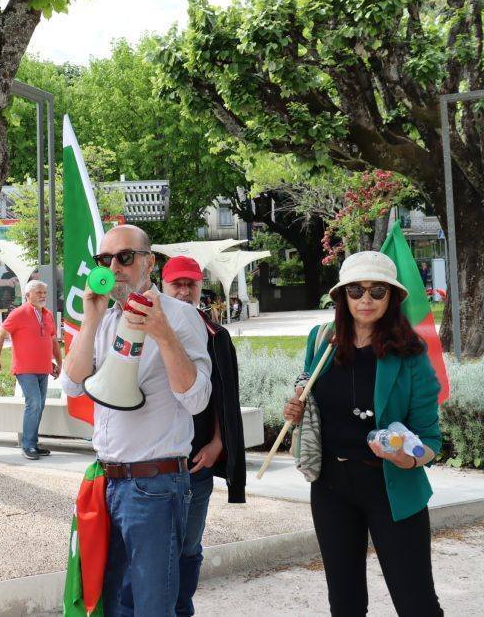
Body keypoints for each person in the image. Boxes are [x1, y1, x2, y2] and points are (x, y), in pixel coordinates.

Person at [61, 225, 212, 616]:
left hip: (154, 484)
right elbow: (72, 384)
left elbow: (197, 399)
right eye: (104, 259)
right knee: (108, 603)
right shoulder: (104, 318)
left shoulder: (181, 316)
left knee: (151, 606)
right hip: (107, 481)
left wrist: (163, 335)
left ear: (150, 263)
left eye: (125, 257)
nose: (114, 267)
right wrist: (90, 319)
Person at [283, 251, 443, 616]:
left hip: (391, 487)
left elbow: (430, 441)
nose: (365, 299)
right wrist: (298, 410)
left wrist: (408, 458)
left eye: (377, 291)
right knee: (345, 603)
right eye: (356, 290)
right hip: (331, 487)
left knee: (416, 603)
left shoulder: (411, 353)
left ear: (391, 297)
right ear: (342, 296)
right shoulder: (321, 340)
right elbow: (309, 394)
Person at [160, 257, 246, 617]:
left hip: (196, 463)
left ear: (199, 288)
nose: (184, 291)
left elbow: (226, 397)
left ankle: (182, 610)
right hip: (153, 464)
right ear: (162, 286)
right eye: (176, 284)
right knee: (153, 551)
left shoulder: (215, 335)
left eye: (190, 284)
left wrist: (218, 444)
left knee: (188, 548)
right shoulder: (142, 331)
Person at [0, 279, 61, 460]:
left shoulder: (48, 315)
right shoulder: (18, 313)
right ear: (28, 295)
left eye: (44, 292)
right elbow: (0, 335)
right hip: (25, 369)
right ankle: (28, 445)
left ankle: (33, 444)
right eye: (39, 292)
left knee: (39, 406)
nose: (43, 296)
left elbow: (53, 340)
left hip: (44, 369)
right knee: (34, 403)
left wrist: (59, 362)